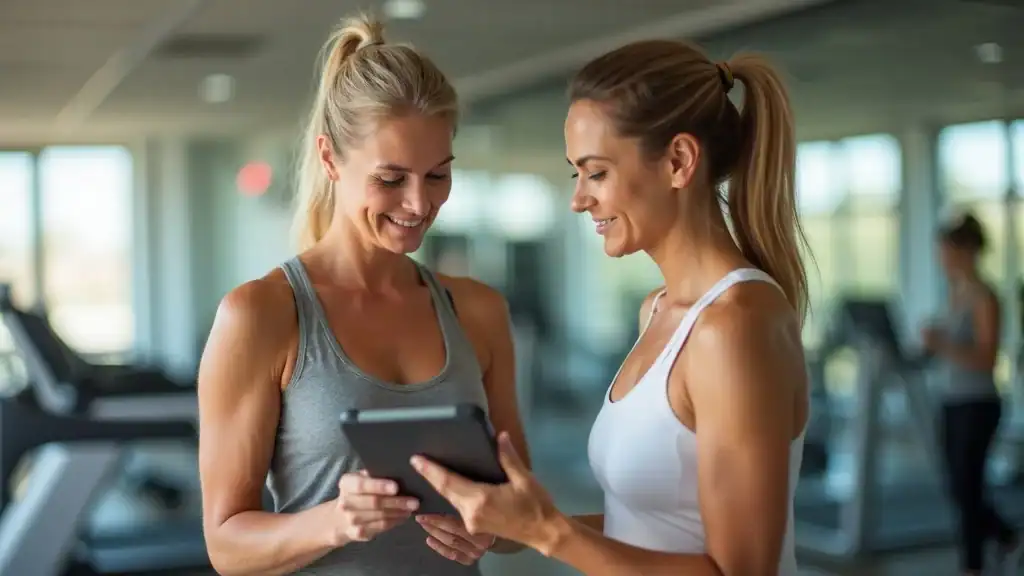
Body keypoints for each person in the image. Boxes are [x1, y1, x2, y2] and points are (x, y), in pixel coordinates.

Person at [414, 40, 809, 575]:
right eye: (577, 174)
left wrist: (548, 532)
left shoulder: (733, 325)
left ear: (678, 161)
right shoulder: (659, 310)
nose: (578, 198)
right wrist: (518, 525)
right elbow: (647, 527)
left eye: (596, 172)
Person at [195, 14, 529, 576]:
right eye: (391, 178)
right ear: (330, 159)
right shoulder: (261, 315)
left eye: (438, 175)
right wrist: (335, 521)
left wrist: (495, 529)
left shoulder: (477, 310)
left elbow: (522, 517)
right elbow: (226, 545)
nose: (420, 204)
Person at [922, 212, 1020, 576]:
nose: (941, 259)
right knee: (957, 487)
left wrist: (942, 343)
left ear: (964, 251)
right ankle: (1008, 537)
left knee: (969, 488)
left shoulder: (984, 296)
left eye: (945, 251)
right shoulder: (954, 294)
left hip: (978, 404)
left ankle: (973, 567)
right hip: (949, 400)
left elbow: (986, 358)